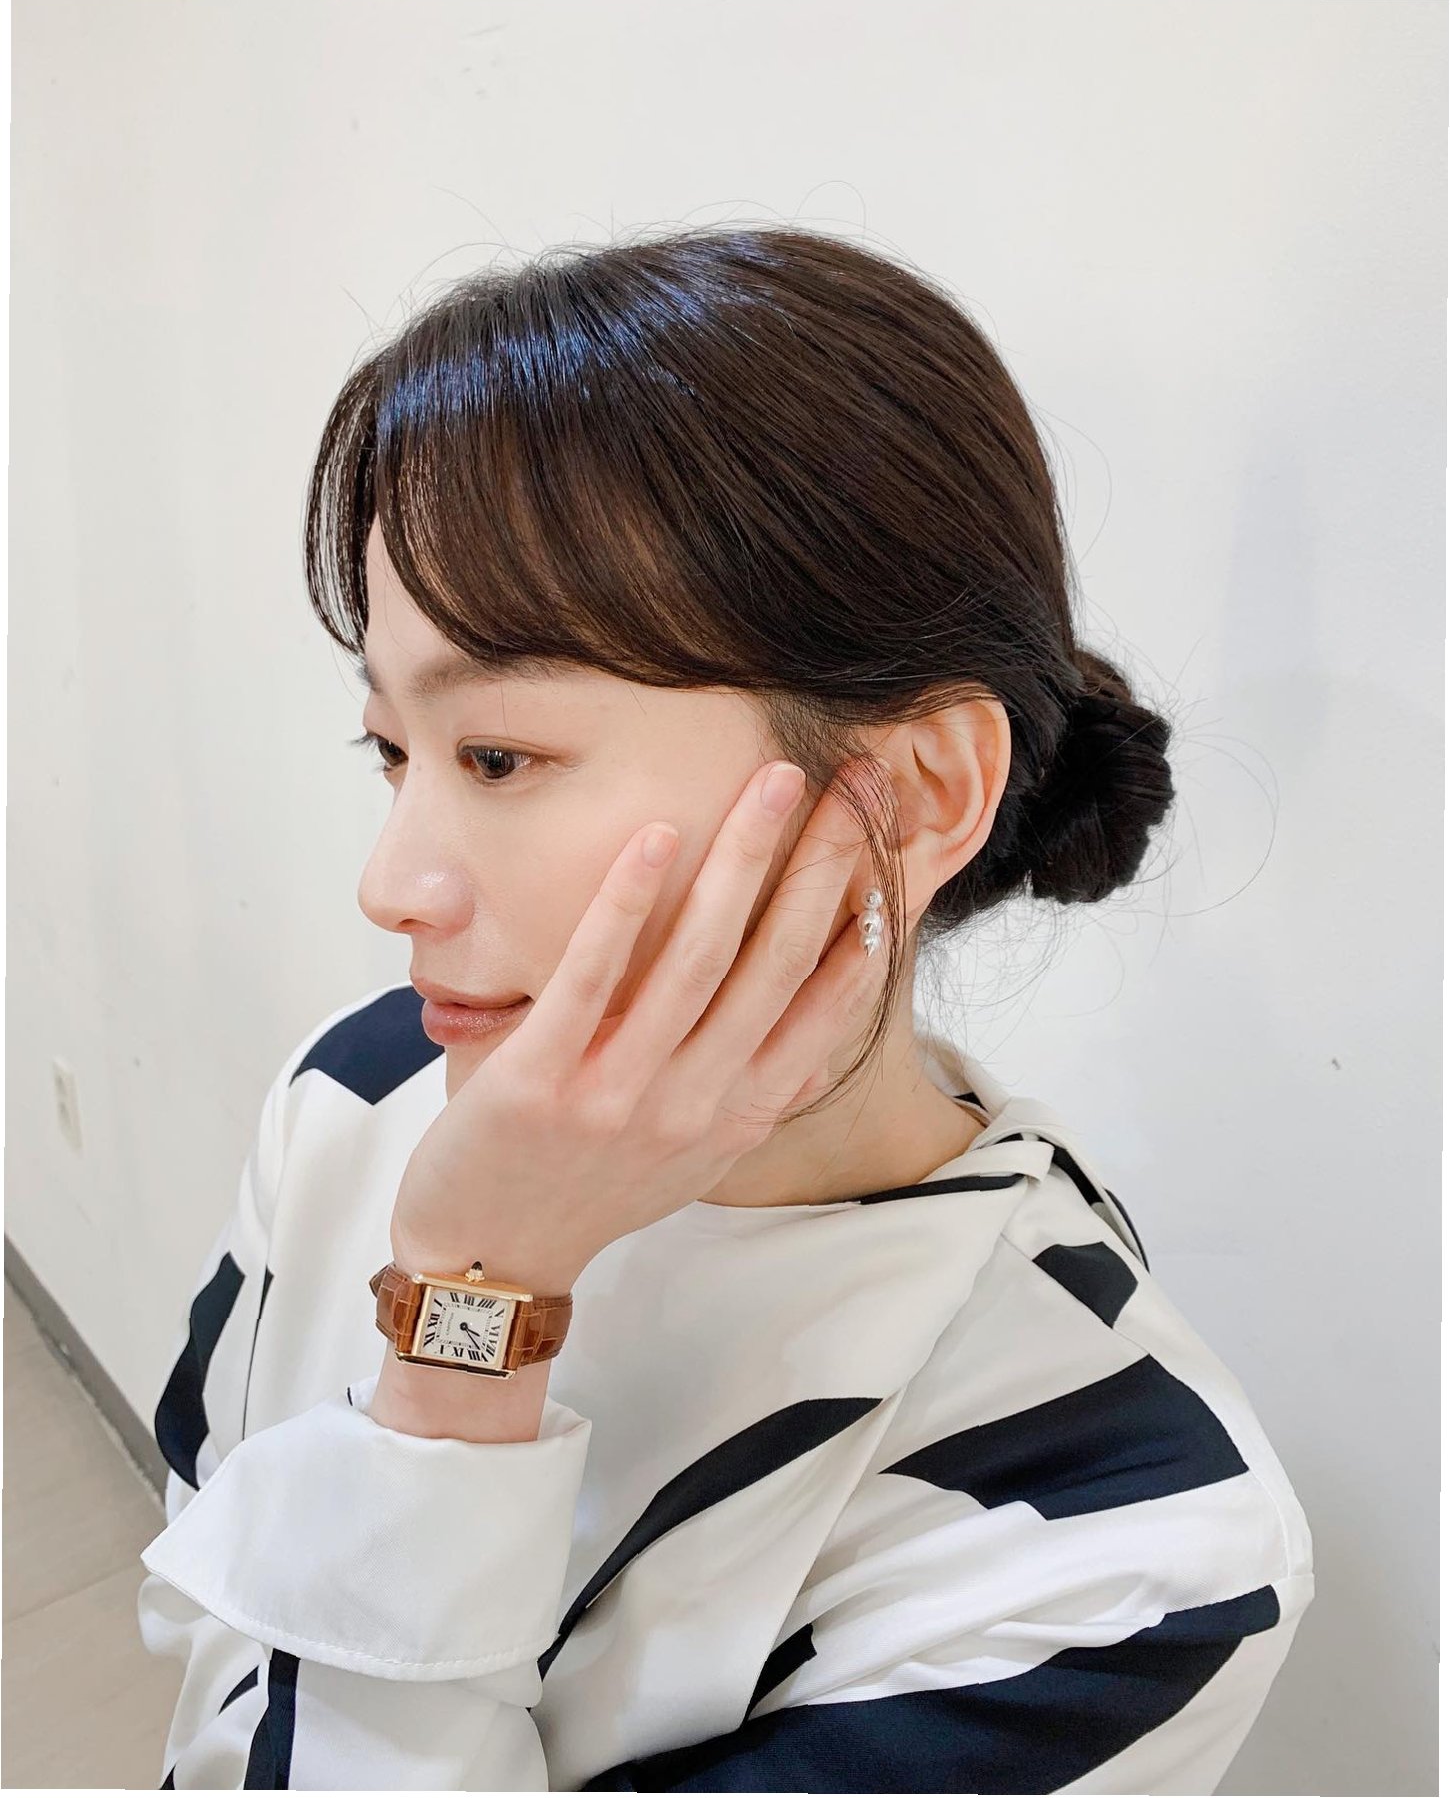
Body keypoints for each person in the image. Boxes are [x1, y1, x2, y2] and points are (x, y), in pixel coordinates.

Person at [136, 224, 1314, 1791]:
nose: (391, 885)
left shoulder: (1118, 1541)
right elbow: (211, 1633)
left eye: (497, 756)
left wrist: (466, 1327)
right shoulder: (359, 1090)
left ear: (913, 791)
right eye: (391, 752)